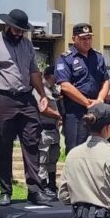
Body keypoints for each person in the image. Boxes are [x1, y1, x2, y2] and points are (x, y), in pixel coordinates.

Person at [0, 8, 53, 206]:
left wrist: (42, 95)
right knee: (3, 145)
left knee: (32, 142)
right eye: (16, 30)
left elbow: (34, 72)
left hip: (26, 98)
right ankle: (5, 190)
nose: (19, 33)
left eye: (22, 30)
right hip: (3, 98)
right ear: (8, 26)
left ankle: (35, 190)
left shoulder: (27, 44)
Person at [55, 23, 110, 153]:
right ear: (74, 38)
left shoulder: (98, 57)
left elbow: (106, 81)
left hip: (97, 109)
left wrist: (100, 100)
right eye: (83, 38)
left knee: (100, 148)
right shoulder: (66, 58)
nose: (87, 41)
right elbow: (65, 85)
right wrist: (87, 103)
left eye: (89, 38)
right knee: (76, 149)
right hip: (76, 112)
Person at [35, 66, 63, 194]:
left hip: (54, 130)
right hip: (43, 130)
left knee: (53, 158)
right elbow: (43, 108)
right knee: (43, 159)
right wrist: (58, 115)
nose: (57, 77)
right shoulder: (41, 90)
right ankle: (43, 186)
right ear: (48, 76)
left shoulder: (55, 90)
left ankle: (52, 184)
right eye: (55, 75)